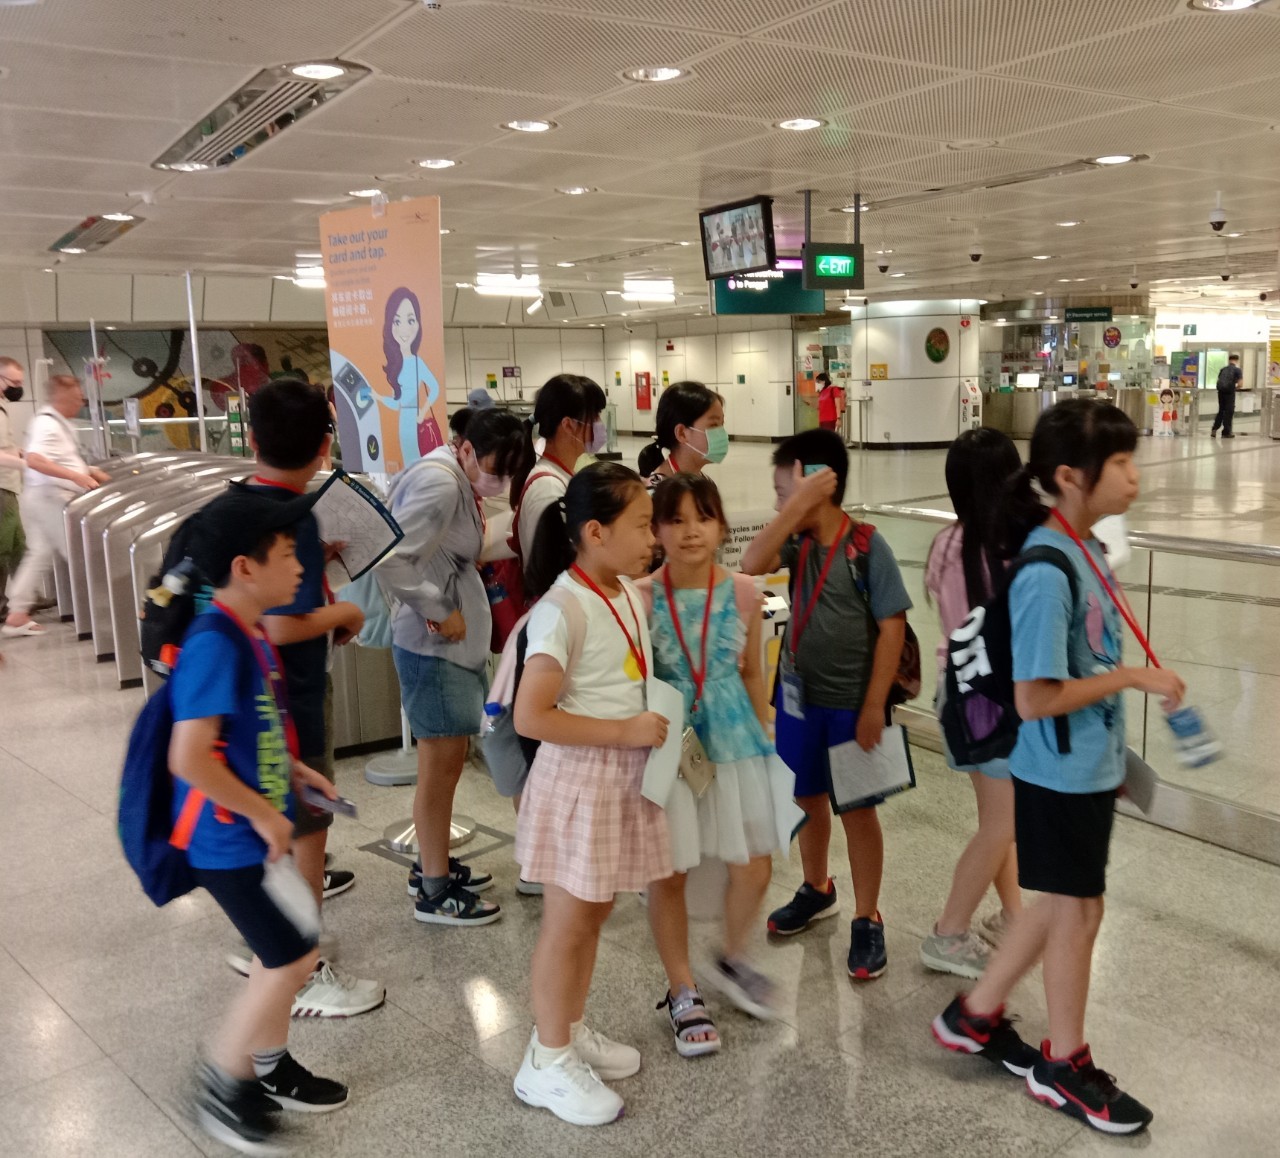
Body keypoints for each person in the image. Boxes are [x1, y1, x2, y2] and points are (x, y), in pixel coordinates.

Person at [931, 399, 1185, 1136]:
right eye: (1121, 463)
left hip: (1085, 765)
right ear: (1071, 477)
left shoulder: (1085, 549)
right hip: (1059, 769)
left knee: (1070, 904)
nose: (1135, 477)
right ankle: (1063, 1064)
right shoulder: (1047, 568)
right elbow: (1035, 697)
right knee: (1076, 910)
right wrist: (1131, 679)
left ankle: (976, 1013)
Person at [169, 484, 350, 1154]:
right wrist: (261, 814)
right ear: (245, 567)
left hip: (251, 830)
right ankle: (223, 1081)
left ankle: (263, 1067)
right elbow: (189, 756)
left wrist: (295, 773)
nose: (303, 565)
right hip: (226, 839)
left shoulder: (248, 631)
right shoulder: (215, 641)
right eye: (288, 553)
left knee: (294, 948)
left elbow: (247, 731)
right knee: (289, 955)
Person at [511, 462, 671, 1127]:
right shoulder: (561, 609)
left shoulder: (623, 589)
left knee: (595, 911)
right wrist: (624, 730)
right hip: (580, 780)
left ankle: (568, 1028)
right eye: (643, 525)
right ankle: (545, 1061)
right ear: (596, 532)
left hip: (618, 778)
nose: (654, 537)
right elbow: (531, 716)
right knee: (568, 921)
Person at [229, 378, 384, 1018]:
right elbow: (277, 624)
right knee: (308, 830)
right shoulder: (294, 518)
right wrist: (342, 612)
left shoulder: (238, 505)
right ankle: (301, 969)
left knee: (272, 824)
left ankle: (262, 941)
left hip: (247, 697)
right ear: (325, 446)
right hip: (292, 696)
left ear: (252, 439)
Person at [636, 474, 799, 1055]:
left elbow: (753, 671)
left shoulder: (745, 592)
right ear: (655, 530)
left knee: (754, 862)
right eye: (675, 520)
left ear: (722, 527)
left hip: (734, 738)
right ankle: (683, 987)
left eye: (702, 518)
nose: (690, 532)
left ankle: (731, 956)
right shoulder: (642, 597)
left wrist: (766, 734)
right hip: (671, 743)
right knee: (670, 871)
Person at [741, 428, 912, 980]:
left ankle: (868, 915)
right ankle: (818, 886)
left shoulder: (867, 546)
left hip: (853, 705)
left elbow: (892, 627)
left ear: (817, 484)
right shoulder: (798, 543)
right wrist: (795, 510)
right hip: (799, 698)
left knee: (858, 809)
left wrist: (873, 705)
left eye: (782, 491)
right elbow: (751, 562)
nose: (777, 505)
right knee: (807, 796)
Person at [378, 407, 531, 925]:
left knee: (446, 764)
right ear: (466, 449)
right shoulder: (442, 483)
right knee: (440, 770)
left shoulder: (452, 476)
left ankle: (431, 865)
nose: (500, 481)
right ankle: (435, 891)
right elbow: (392, 558)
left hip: (447, 647)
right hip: (433, 647)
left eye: (510, 472)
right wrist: (441, 611)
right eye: (495, 468)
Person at [919, 429, 1025, 980]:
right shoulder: (1011, 549)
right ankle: (949, 932)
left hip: (958, 697)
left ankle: (1013, 916)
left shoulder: (947, 543)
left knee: (996, 819)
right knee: (1001, 823)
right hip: (995, 704)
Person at [3, 374, 109, 638]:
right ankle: (107, 615)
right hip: (50, 498)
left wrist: (87, 470)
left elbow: (58, 459)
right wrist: (76, 476)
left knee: (39, 554)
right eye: (76, 398)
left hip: (43, 496)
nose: (80, 402)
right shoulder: (47, 424)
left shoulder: (57, 423)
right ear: (61, 397)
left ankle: (17, 614)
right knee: (83, 553)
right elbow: (35, 460)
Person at [510, 373, 607, 581]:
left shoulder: (560, 475)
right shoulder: (548, 489)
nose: (600, 424)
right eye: (595, 416)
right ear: (568, 425)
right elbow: (551, 569)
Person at [376, 287, 443, 466]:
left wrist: (423, 412)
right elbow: (396, 403)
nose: (404, 329)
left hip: (414, 420)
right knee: (409, 462)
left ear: (418, 323)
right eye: (397, 321)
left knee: (418, 463)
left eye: (410, 320)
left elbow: (435, 387)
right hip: (403, 421)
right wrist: (377, 397)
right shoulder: (396, 364)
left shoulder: (417, 362)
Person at [637, 381, 726, 484]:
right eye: (714, 425)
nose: (722, 433)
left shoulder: (703, 481)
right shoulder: (659, 490)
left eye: (722, 424)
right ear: (681, 433)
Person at [0, 356, 26, 620]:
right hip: (1, 487)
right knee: (3, 546)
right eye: (14, 382)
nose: (18, 388)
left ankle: (24, 599)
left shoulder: (3, 406)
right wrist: (27, 465)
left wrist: (19, 452)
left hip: (8, 485)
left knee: (18, 544)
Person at [1211, 353, 1242, 439]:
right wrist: (1235, 388)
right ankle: (1226, 432)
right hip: (1230, 393)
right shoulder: (1237, 370)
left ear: (1229, 360)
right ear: (1237, 361)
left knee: (1221, 411)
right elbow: (1240, 384)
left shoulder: (1223, 369)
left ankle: (1214, 429)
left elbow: (1219, 380)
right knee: (1229, 412)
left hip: (1221, 392)